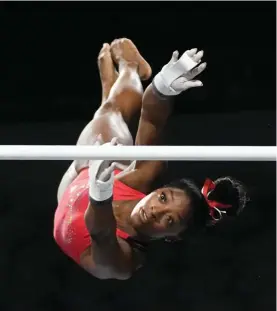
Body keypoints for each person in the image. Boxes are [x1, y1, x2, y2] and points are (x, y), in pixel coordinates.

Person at [53, 38, 248, 280]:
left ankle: (111, 87)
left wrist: (100, 191)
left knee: (105, 114)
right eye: (163, 197)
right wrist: (162, 88)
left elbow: (102, 235)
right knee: (109, 114)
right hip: (95, 171)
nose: (156, 209)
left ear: (173, 236)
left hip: (78, 191)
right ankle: (131, 67)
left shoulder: (126, 262)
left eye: (169, 219)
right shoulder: (144, 175)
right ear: (159, 188)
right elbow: (152, 120)